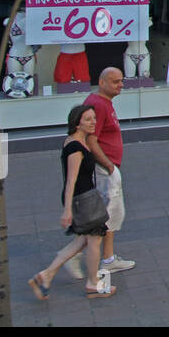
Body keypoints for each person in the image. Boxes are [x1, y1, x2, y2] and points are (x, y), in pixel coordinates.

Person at [27, 105, 116, 300]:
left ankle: (45, 275)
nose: (93, 122)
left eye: (94, 118)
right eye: (88, 119)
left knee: (82, 241)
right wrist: (67, 210)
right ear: (77, 123)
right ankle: (93, 284)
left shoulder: (79, 142)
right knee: (94, 240)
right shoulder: (75, 147)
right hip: (82, 200)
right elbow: (71, 180)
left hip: (84, 198)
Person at [65, 67, 136, 279]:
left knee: (111, 214)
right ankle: (76, 257)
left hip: (108, 167)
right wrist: (109, 165)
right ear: (102, 82)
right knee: (105, 216)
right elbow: (91, 140)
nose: (120, 85)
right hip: (106, 168)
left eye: (122, 81)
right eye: (115, 81)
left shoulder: (102, 103)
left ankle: (107, 258)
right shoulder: (98, 105)